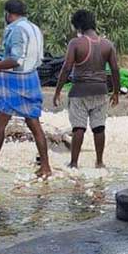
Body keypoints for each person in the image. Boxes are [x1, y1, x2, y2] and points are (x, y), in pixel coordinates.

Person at [0, 0, 51, 178]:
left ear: (8, 14)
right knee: (34, 123)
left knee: (1, 121)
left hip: (16, 80)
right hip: (32, 78)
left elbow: (15, 60)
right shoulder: (34, 28)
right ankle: (46, 167)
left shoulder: (16, 29)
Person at [53, 10, 120, 169]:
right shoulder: (107, 45)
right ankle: (99, 161)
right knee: (99, 127)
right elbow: (115, 70)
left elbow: (66, 68)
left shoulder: (75, 43)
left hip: (79, 91)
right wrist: (116, 92)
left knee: (78, 128)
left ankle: (74, 163)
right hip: (101, 91)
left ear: (79, 26)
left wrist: (57, 91)